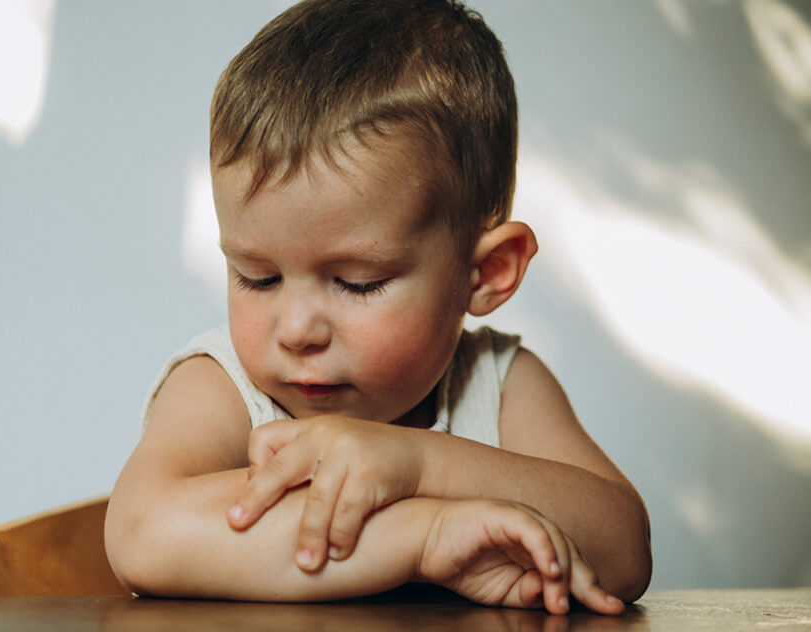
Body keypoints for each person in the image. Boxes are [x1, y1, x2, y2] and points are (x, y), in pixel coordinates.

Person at [105, 0, 651, 615]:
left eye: (358, 283)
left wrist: (419, 465)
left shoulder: (497, 384)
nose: (296, 329)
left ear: (486, 273)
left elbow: (625, 550)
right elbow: (143, 534)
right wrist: (424, 536)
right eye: (257, 278)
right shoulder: (224, 387)